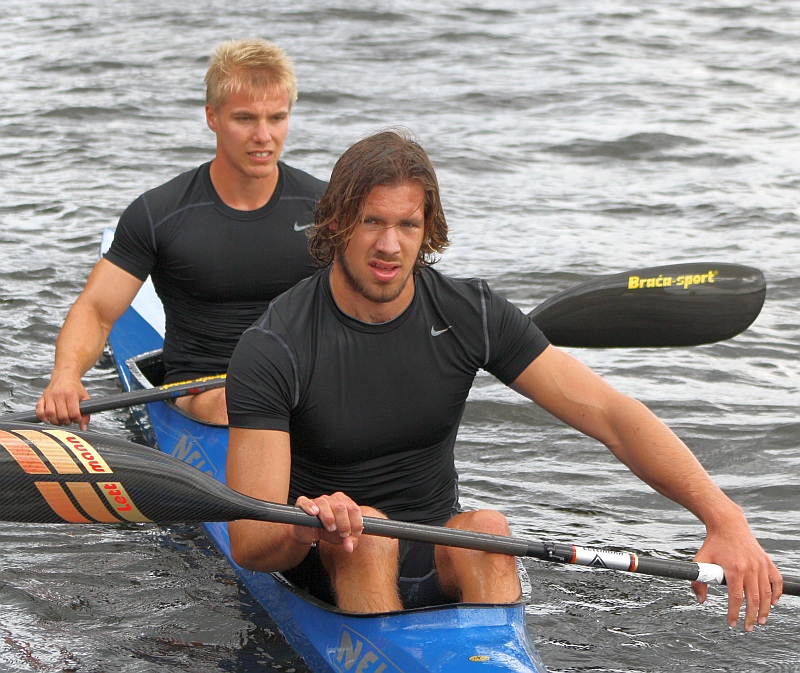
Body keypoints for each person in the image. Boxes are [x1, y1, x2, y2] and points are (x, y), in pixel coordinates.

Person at [224, 129, 783, 630]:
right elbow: (250, 544)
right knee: (368, 530)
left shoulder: (470, 313)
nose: (389, 245)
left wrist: (724, 517)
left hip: (441, 547)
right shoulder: (277, 345)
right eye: (372, 221)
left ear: (428, 230)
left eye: (407, 224)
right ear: (339, 224)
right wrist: (305, 526)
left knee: (489, 528)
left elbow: (614, 416)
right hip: (333, 557)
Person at [36, 38, 326, 428]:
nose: (264, 135)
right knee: (241, 404)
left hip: (301, 386)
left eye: (276, 118)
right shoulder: (160, 213)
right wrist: (66, 377)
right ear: (212, 116)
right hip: (205, 392)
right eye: (245, 119)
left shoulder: (325, 208)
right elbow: (96, 311)